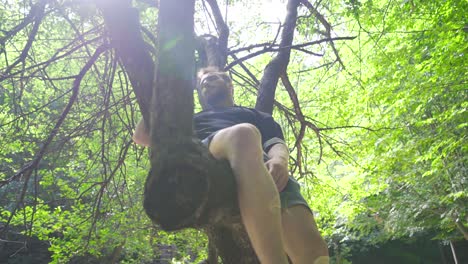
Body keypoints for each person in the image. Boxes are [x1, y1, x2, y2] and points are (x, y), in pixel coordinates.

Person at [133, 67, 329, 264]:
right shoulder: (193, 120)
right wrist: (159, 95)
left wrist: (279, 160)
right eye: (202, 84)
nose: (205, 84)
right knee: (243, 135)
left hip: (259, 166)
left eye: (211, 79)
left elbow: (276, 144)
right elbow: (142, 136)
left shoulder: (257, 116)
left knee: (315, 255)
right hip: (209, 153)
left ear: (229, 84)